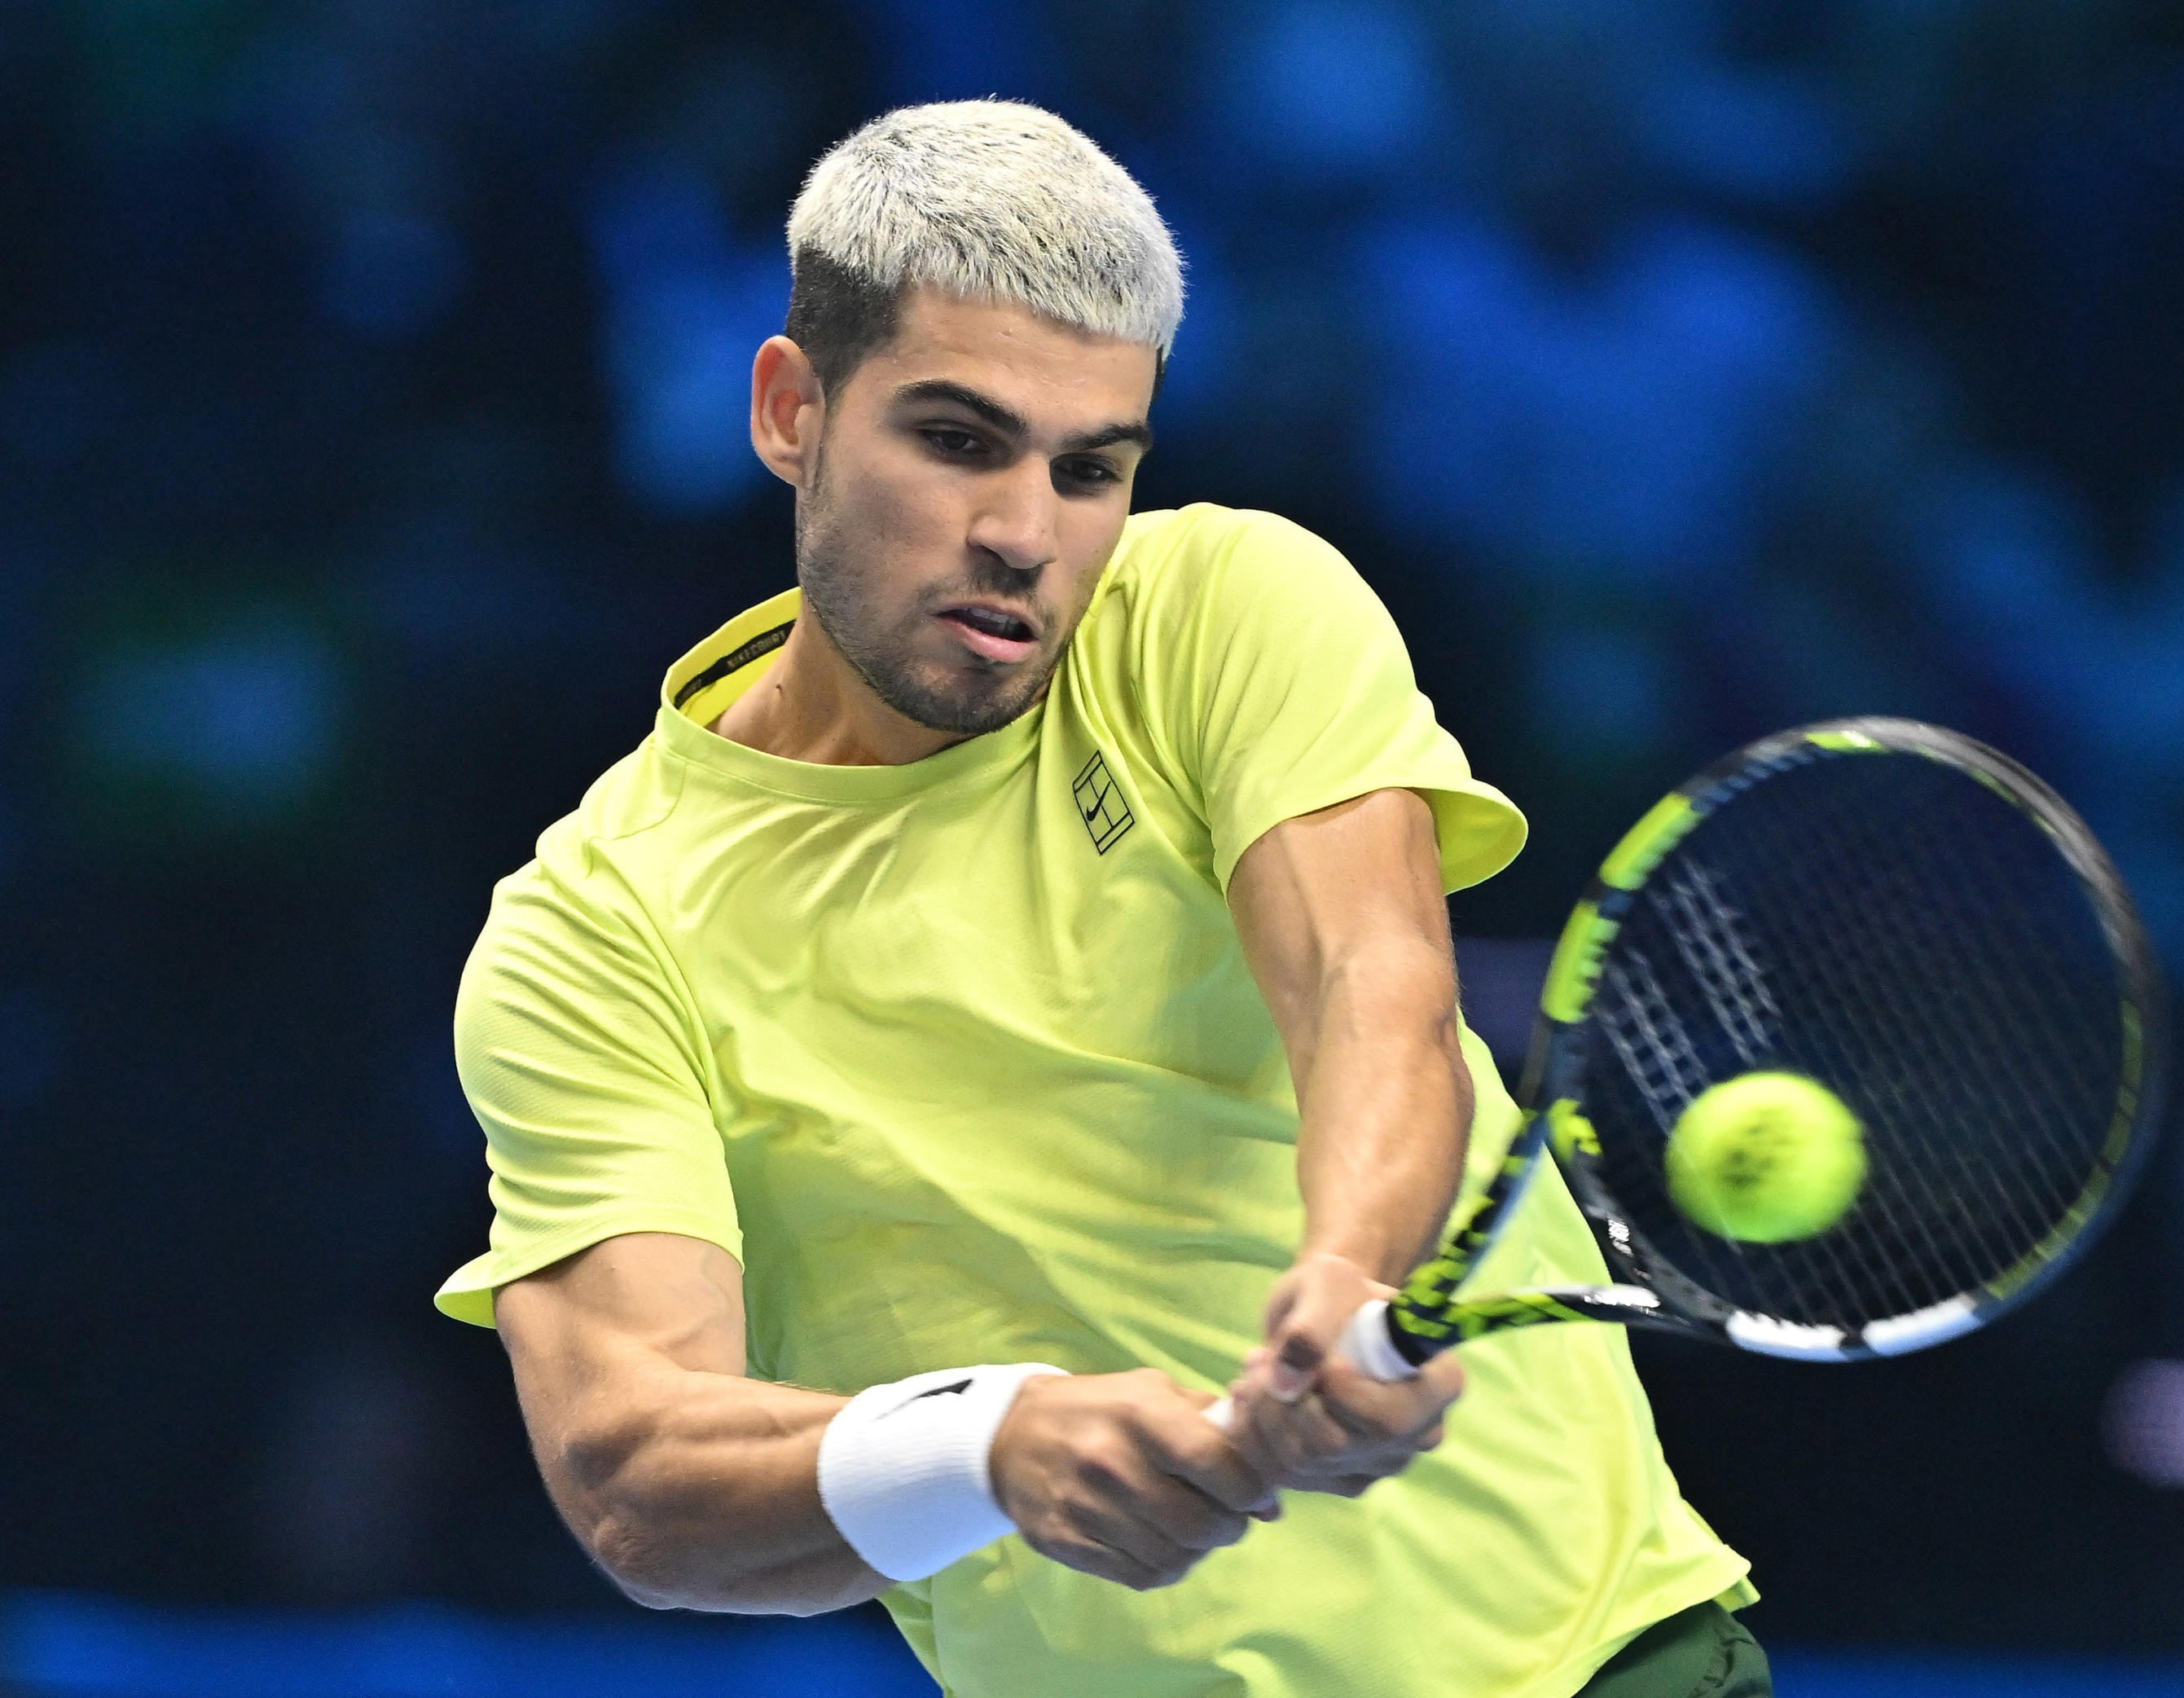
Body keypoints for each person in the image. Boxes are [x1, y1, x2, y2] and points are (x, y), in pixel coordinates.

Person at [437, 99, 1769, 1697]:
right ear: (791, 410)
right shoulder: (593, 933)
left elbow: (1371, 985)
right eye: (955, 439)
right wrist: (986, 1446)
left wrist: (1348, 1271)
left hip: (1599, 1665)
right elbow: (636, 1470)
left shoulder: (1227, 603)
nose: (1023, 534)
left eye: (1090, 469)